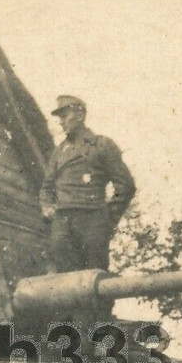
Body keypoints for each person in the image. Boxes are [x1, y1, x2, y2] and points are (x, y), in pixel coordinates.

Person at [38, 95, 136, 272]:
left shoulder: (102, 145)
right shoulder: (59, 152)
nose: (61, 122)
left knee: (93, 281)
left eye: (65, 116)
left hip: (92, 222)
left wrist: (106, 219)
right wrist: (47, 207)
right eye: (59, 118)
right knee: (64, 283)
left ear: (80, 115)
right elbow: (47, 188)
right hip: (63, 224)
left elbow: (126, 186)